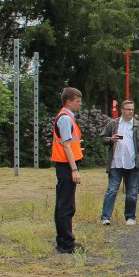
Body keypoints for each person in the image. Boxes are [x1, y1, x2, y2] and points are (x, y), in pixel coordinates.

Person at [99, 99, 139, 226]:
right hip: (116, 164)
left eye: (132, 109)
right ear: (122, 110)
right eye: (128, 109)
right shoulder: (113, 124)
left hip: (132, 165)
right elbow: (102, 138)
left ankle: (130, 217)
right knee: (112, 190)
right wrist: (110, 139)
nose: (131, 111)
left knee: (132, 192)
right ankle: (106, 217)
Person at [51, 87, 84, 253]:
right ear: (68, 101)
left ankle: (64, 240)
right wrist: (74, 169)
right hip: (66, 166)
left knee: (63, 204)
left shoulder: (67, 117)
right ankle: (66, 244)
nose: (80, 104)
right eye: (77, 101)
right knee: (66, 205)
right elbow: (66, 145)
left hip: (65, 165)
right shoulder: (65, 119)